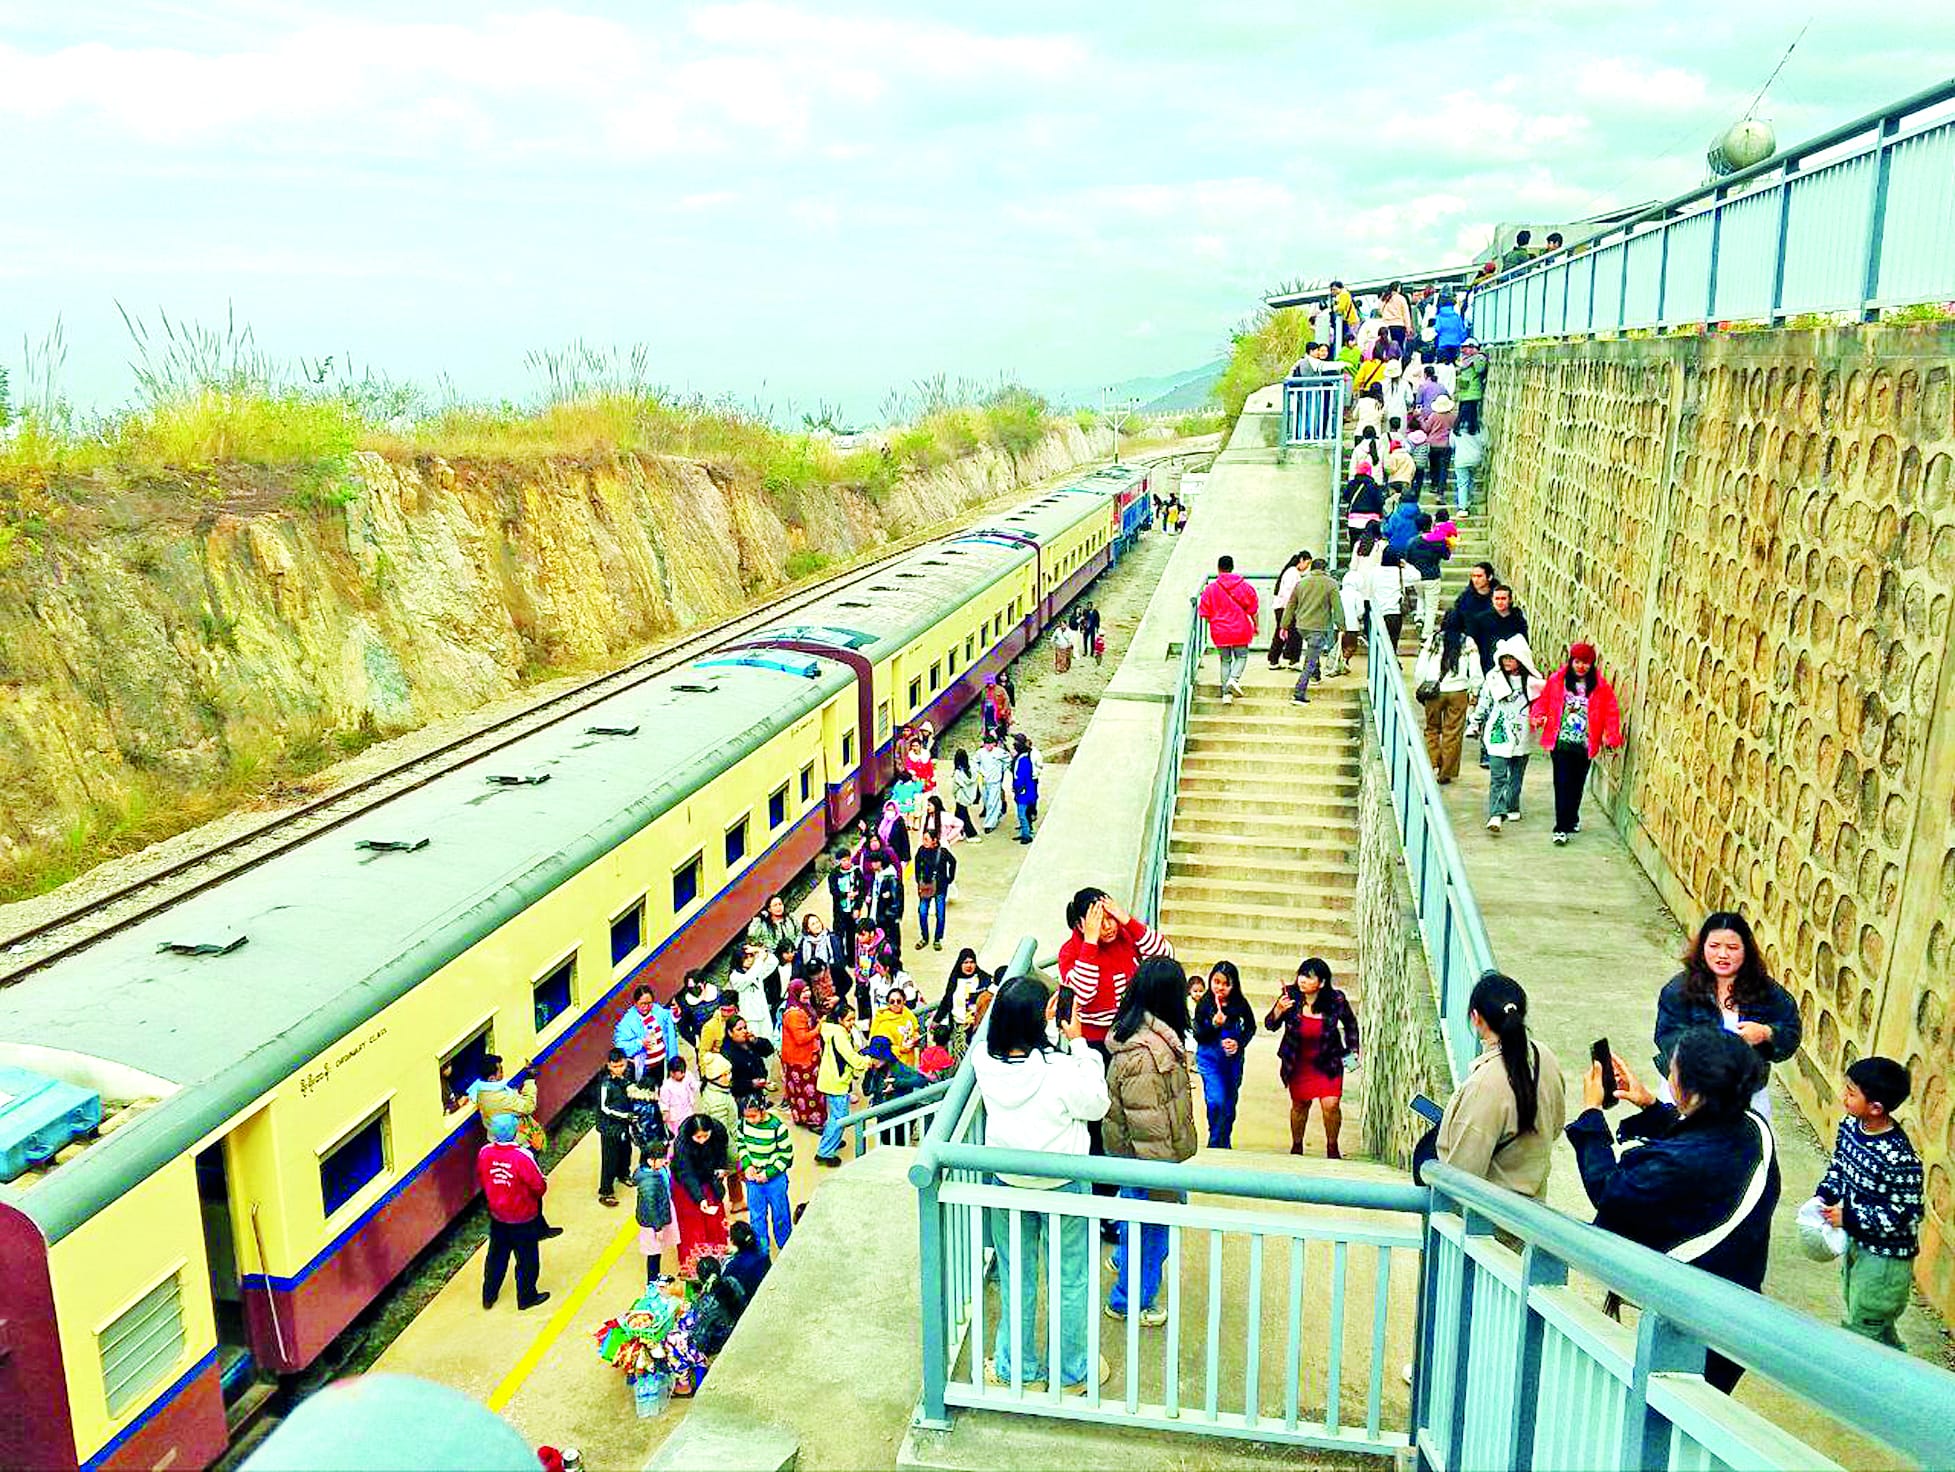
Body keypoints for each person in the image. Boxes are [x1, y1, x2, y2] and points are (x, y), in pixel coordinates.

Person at [1571, 1029, 1780, 1393]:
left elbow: (1612, 1192)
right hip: (1737, 1311)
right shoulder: (1753, 1128)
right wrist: (1650, 1106)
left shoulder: (1678, 1164)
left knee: (1671, 1406)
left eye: (1673, 1071)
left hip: (1692, 1321)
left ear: (1692, 1090)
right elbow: (1701, 1136)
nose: (1669, 1076)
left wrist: (1591, 1114)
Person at [970, 974, 1110, 1391]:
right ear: (1037, 1020)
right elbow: (1097, 1103)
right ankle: (1070, 1371)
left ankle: (1016, 1368)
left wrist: (1043, 1027)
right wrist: (1079, 1043)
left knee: (1017, 1276)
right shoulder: (1062, 1070)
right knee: (1070, 1279)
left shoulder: (982, 1061)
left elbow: (1021, 1057)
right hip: (1062, 1183)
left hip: (1008, 1181)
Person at [1103, 957, 1199, 1326]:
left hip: (1139, 1159)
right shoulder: (1146, 1055)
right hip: (1151, 1163)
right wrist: (1164, 1180)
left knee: (1137, 1221)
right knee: (1153, 1232)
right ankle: (1130, 1301)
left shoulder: (1141, 1036)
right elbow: (1148, 1126)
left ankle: (1125, 1263)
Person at [1816, 1057, 1922, 1347]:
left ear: (1876, 1108)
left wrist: (1850, 1217)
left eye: (1851, 1093)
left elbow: (1904, 1215)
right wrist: (1824, 1195)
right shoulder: (1850, 1126)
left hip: (1885, 1260)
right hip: (1858, 1243)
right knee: (1868, 1319)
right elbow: (1839, 1167)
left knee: (1865, 1327)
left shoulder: (1899, 1158)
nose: (1844, 1097)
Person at [1653, 912, 1801, 1117]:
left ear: (1746, 950)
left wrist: (1766, 1033)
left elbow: (1791, 1033)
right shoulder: (1678, 990)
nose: (1722, 955)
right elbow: (1667, 1038)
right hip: (1688, 1091)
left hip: (1746, 1094)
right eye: (1714, 946)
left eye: (1732, 948)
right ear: (1702, 947)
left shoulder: (1767, 992)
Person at [1433, 972, 1564, 1197]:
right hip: (1534, 1209)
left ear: (1476, 1018)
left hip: (1490, 1213)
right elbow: (1556, 1126)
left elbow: (1463, 1173)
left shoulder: (1483, 1085)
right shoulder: (1545, 1057)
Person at [1529, 641, 1625, 844]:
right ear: (1571, 661)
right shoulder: (1558, 680)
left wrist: (1611, 734)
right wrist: (1537, 715)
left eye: (1586, 663)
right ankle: (1560, 827)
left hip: (1585, 745)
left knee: (1577, 784)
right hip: (1561, 742)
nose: (1581, 666)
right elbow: (1544, 701)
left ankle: (1572, 817)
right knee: (1562, 783)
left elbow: (1611, 712)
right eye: (1578, 662)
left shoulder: (1600, 687)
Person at [1265, 957, 1360, 1157]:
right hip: (1298, 1062)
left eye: (1309, 977)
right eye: (1301, 975)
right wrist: (1279, 1010)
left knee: (1331, 1105)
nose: (1302, 980)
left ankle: (1332, 1147)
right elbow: (1270, 1025)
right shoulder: (1289, 996)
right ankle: (1297, 1146)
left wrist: (1353, 1052)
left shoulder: (1336, 1000)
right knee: (1300, 1105)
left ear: (1322, 982)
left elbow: (1350, 1024)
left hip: (1329, 1061)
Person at [1059, 888, 1175, 1046]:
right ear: (1080, 925)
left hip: (1136, 1029)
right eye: (1099, 922)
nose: (1107, 926)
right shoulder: (1070, 952)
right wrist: (1090, 943)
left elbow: (1164, 958)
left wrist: (1128, 921)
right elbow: (1082, 995)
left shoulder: (1126, 936)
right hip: (1095, 1039)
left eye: (1111, 918)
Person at [1470, 636, 1544, 832]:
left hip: (1523, 735)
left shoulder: (1534, 683)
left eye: (1512, 658)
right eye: (1505, 658)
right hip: (1499, 733)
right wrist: (1475, 721)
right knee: (1498, 776)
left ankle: (1512, 805)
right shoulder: (1494, 679)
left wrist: (1540, 718)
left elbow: (1543, 704)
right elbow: (1485, 702)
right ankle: (1496, 813)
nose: (1507, 662)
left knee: (1516, 776)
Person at [478, 1112, 550, 1311]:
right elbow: (538, 1186)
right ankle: (526, 1297)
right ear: (515, 1130)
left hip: (498, 1216)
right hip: (523, 1217)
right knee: (527, 1259)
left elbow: (483, 1177)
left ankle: (488, 1295)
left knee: (496, 1258)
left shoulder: (485, 1152)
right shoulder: (522, 1156)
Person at [1192, 961, 1257, 1148]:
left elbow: (1251, 1027)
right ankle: (1215, 1142)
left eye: (1226, 984)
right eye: (1216, 982)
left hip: (1232, 1062)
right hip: (1209, 1059)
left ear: (1234, 985)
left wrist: (1239, 1043)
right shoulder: (1204, 1005)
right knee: (1215, 1101)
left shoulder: (1241, 1005)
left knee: (1229, 1104)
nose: (1220, 987)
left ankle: (1224, 1140)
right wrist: (1214, 1025)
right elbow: (1198, 1035)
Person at [671, 1113, 732, 1279]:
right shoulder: (682, 1144)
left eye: (706, 1135)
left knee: (714, 1221)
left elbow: (722, 1153)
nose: (703, 1140)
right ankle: (693, 1265)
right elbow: (686, 1173)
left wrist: (720, 1169)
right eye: (698, 1137)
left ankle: (718, 1255)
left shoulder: (718, 1130)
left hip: (709, 1178)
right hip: (687, 1186)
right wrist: (700, 1199)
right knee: (691, 1225)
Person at [737, 1093, 795, 1258]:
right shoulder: (743, 1125)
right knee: (756, 1217)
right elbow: (741, 1145)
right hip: (753, 1180)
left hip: (775, 1179)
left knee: (780, 1213)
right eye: (747, 1117)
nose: (750, 1120)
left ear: (762, 1110)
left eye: (753, 1116)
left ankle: (786, 1246)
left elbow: (786, 1155)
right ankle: (762, 1252)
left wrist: (768, 1173)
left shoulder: (777, 1127)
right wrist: (747, 1165)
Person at [1416, 627, 1477, 783]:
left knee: (1432, 729)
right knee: (1453, 733)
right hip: (1459, 690)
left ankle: (1433, 764)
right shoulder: (1467, 641)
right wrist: (1475, 690)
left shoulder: (1433, 639)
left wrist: (1420, 685)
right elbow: (1475, 670)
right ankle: (1446, 772)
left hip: (1434, 690)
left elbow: (1421, 667)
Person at [1196, 554, 1260, 703]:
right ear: (1232, 568)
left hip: (1220, 631)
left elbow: (1204, 613)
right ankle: (1234, 679)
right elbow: (1253, 609)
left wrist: (1215, 621)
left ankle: (1226, 695)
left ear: (1218, 568)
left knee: (1225, 661)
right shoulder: (1244, 586)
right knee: (1241, 656)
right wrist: (1256, 626)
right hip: (1240, 629)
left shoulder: (1210, 589)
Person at [814, 998, 870, 1166]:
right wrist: (866, 1061)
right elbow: (850, 1057)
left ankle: (832, 1142)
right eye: (849, 1020)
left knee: (836, 1116)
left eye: (853, 1019)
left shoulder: (832, 1030)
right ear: (839, 1019)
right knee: (839, 1119)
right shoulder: (839, 1035)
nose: (852, 1023)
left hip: (832, 1079)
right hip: (837, 1082)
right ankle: (824, 1152)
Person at [1288, 557, 1342, 702]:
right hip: (1319, 626)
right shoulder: (1331, 584)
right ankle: (1299, 693)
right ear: (1325, 569)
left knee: (1313, 649)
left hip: (1301, 625)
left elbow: (1291, 605)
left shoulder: (1301, 583)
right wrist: (1341, 626)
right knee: (1310, 661)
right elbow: (1337, 607)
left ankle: (1316, 675)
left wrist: (1284, 625)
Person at [777, 979, 826, 1129]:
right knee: (808, 1092)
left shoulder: (804, 1007)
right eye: (803, 991)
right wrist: (819, 1027)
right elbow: (801, 1038)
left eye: (807, 990)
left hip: (808, 1056)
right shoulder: (794, 1014)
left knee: (804, 1091)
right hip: (801, 1060)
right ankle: (812, 1121)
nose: (807, 994)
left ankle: (806, 1118)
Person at [632, 1137, 679, 1282]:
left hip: (657, 1217)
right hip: (653, 1223)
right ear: (650, 1160)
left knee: (657, 1250)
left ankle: (656, 1277)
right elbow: (651, 1208)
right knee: (653, 1252)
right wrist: (658, 1228)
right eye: (661, 1158)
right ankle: (652, 1282)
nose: (664, 1161)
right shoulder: (649, 1183)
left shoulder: (654, 1171)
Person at [614, 984, 679, 1087]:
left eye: (649, 1003)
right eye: (642, 1004)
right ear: (635, 1003)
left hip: (660, 1063)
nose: (646, 1007)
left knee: (660, 1087)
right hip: (643, 1068)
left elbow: (669, 1017)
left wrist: (675, 1013)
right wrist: (640, 1043)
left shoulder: (657, 1011)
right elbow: (620, 1045)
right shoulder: (628, 1022)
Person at [596, 1048, 638, 1207]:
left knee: (626, 1151)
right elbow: (604, 1108)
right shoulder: (605, 1084)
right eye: (615, 1066)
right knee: (610, 1159)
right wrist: (625, 1115)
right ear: (608, 1065)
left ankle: (623, 1174)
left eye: (621, 1065)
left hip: (624, 1124)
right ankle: (606, 1191)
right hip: (609, 1128)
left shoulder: (628, 1074)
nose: (618, 1069)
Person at [1466, 583, 1528, 675]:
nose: (1499, 602)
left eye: (1503, 599)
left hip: (1512, 667)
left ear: (1510, 600)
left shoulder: (1518, 619)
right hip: (1487, 666)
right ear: (1492, 599)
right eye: (1497, 599)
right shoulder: (1481, 619)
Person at [727, 941, 780, 1044]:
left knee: (769, 1042)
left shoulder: (756, 969)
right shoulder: (735, 976)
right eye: (745, 957)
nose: (749, 960)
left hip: (763, 1013)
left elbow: (774, 962)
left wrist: (757, 949)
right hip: (750, 1018)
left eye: (751, 956)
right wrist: (759, 960)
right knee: (754, 1044)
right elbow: (749, 978)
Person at [913, 827, 956, 949]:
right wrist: (919, 880)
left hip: (940, 887)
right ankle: (924, 937)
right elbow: (917, 866)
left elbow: (953, 862)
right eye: (924, 839)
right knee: (922, 912)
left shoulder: (942, 852)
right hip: (926, 886)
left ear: (934, 840)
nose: (924, 842)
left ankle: (937, 939)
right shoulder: (921, 851)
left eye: (927, 839)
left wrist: (950, 878)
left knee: (940, 914)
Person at [870, 982, 924, 1069]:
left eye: (898, 1001)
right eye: (892, 1002)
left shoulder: (907, 1013)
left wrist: (915, 1036)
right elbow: (881, 1050)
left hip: (909, 1062)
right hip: (894, 1066)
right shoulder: (885, 1023)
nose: (895, 1004)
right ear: (888, 1004)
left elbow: (915, 1028)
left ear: (904, 1001)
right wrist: (901, 1049)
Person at [719, 1015, 775, 1101]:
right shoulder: (726, 1053)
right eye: (739, 1029)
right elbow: (729, 1082)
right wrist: (750, 1084)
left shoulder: (750, 1042)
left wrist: (756, 1041)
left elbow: (769, 1050)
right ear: (730, 1032)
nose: (744, 1031)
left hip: (758, 1092)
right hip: (741, 1097)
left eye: (745, 1028)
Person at [1267, 551, 1306, 669]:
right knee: (1294, 633)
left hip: (1282, 607)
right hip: (1287, 607)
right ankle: (1292, 660)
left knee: (1282, 633)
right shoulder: (1293, 573)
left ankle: (1274, 659)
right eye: (1307, 563)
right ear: (1301, 560)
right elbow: (1289, 592)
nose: (1307, 567)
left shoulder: (1290, 571)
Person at [674, 971, 725, 1056]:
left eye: (697, 986)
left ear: (703, 983)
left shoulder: (717, 993)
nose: (694, 990)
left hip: (723, 1036)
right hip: (704, 1041)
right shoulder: (686, 1003)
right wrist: (696, 1043)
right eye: (691, 988)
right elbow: (683, 1027)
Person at [658, 1053, 700, 1138]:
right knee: (679, 1135)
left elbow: (694, 1085)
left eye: (683, 1072)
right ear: (671, 1073)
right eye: (680, 1073)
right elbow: (664, 1103)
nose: (683, 1074)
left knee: (690, 1131)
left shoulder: (687, 1075)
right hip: (675, 1117)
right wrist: (665, 1113)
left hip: (688, 1110)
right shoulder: (666, 1087)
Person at [975, 732, 1009, 833]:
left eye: (990, 744)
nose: (988, 746)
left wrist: (1002, 770)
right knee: (986, 801)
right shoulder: (980, 752)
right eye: (986, 744)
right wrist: (979, 770)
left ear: (994, 744)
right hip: (984, 781)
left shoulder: (1000, 752)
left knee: (992, 803)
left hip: (995, 782)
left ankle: (989, 824)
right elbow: (974, 762)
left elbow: (1008, 760)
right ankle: (997, 813)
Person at [747, 895, 797, 959]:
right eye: (775, 905)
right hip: (774, 956)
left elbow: (799, 933)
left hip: (793, 952)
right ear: (769, 909)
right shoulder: (764, 925)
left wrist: (794, 948)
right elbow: (752, 935)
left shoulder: (791, 918)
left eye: (780, 904)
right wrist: (758, 918)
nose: (778, 907)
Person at [1010, 732, 1039, 843]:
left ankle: (1027, 835)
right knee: (1023, 814)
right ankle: (1024, 833)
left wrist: (1017, 787)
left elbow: (1021, 777)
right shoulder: (1023, 757)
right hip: (1023, 791)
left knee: (1022, 814)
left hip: (1024, 792)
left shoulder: (1023, 760)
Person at [950, 749, 983, 844]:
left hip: (961, 796)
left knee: (963, 816)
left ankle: (971, 834)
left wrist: (954, 794)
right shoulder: (973, 769)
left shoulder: (958, 773)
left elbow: (955, 787)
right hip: (970, 794)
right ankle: (958, 832)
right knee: (958, 814)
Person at [1454, 343, 1487, 437]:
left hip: (1472, 390)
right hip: (1466, 390)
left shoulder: (1479, 358)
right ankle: (1469, 429)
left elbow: (1479, 369)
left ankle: (1461, 428)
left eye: (1466, 348)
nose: (1464, 350)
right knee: (1469, 411)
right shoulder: (1465, 359)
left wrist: (1476, 358)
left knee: (1468, 412)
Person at [1431, 293, 1469, 362]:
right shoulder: (1457, 317)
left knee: (1443, 364)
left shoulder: (1439, 317)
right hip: (1455, 345)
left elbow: (1437, 329)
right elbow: (1462, 331)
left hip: (1443, 345)